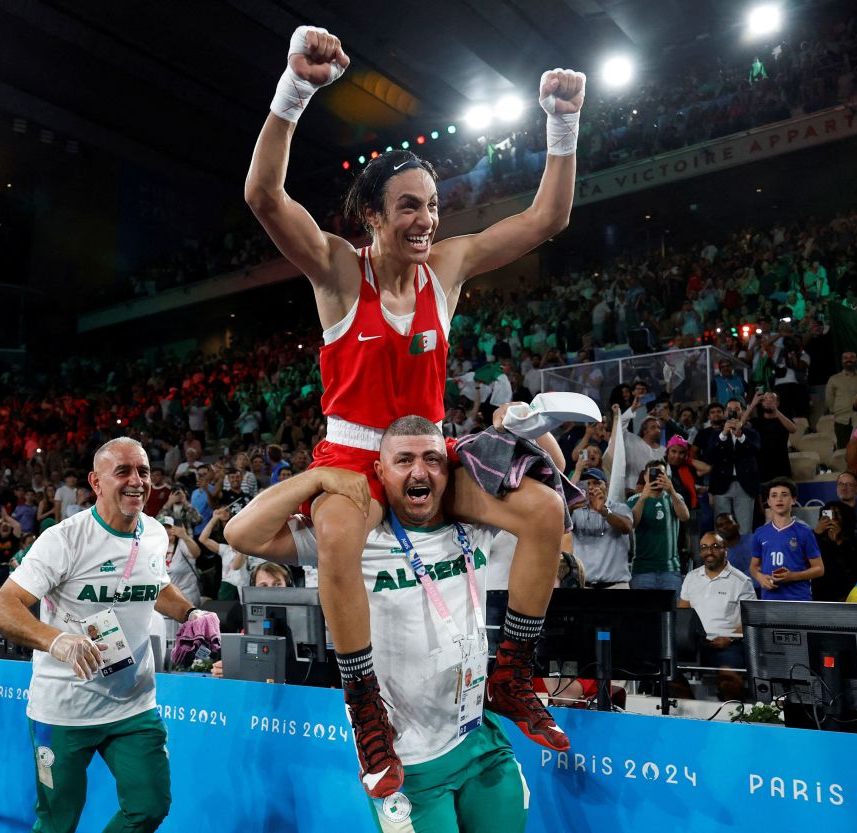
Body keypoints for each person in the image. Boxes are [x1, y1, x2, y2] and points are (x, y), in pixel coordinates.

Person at [244, 24, 581, 795]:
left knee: (541, 513)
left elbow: (546, 221)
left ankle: (512, 671)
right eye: (409, 207)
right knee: (334, 536)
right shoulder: (335, 267)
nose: (427, 220)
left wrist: (562, 124)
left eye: (432, 205)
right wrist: (295, 88)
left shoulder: (449, 266)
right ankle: (365, 706)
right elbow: (263, 196)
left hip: (430, 451)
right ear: (372, 214)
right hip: (354, 456)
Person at [226, 416, 541, 831]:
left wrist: (529, 422)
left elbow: (549, 495)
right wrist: (317, 477)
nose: (419, 471)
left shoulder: (473, 524)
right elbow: (242, 534)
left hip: (481, 738)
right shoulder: (355, 536)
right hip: (406, 761)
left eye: (432, 459)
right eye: (404, 459)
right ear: (378, 471)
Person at [0, 438, 220, 833]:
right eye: (123, 471)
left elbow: (156, 586)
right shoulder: (63, 539)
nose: (137, 481)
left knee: (149, 806)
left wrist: (191, 612)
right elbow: (1, 607)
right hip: (63, 709)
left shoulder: (156, 534)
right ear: (96, 481)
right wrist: (57, 640)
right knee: (58, 821)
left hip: (133, 704)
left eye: (143, 472)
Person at [679, 531, 756, 701]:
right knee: (668, 673)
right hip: (695, 644)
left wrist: (729, 638)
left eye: (715, 546)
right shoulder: (691, 578)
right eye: (704, 547)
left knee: (729, 681)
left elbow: (750, 620)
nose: (709, 552)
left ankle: (731, 720)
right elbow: (682, 613)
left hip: (728, 644)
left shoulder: (742, 582)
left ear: (725, 550)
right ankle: (691, 716)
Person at [750, 478, 824, 601]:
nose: (779, 499)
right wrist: (759, 577)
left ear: (793, 500)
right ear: (768, 501)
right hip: (769, 600)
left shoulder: (805, 532)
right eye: (774, 495)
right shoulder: (760, 533)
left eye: (784, 495)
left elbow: (819, 569)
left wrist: (793, 576)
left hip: (799, 599)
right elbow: (753, 566)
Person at [703, 399, 761, 535]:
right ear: (724, 413)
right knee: (721, 529)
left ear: (742, 412)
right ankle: (722, 556)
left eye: (737, 409)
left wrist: (740, 436)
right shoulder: (715, 434)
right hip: (721, 485)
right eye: (729, 409)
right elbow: (709, 457)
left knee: (745, 529)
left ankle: (744, 556)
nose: (733, 412)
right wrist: (723, 435)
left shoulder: (752, 433)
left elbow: (756, 452)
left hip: (745, 485)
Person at [627, 463, 688, 592]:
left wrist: (671, 491)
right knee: (643, 612)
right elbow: (631, 524)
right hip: (642, 570)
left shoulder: (675, 498)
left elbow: (685, 517)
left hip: (670, 570)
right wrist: (643, 497)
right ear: (645, 477)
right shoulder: (634, 500)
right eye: (653, 474)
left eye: (661, 474)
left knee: (671, 612)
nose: (657, 478)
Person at [570, 468, 634, 587]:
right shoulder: (575, 511)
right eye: (587, 483)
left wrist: (603, 511)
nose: (591, 487)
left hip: (616, 586)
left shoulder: (620, 508)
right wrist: (570, 506)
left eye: (596, 482)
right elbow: (557, 529)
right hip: (584, 586)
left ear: (607, 486)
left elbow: (627, 527)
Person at [811, 501, 857, 602]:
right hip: (821, 598)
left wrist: (836, 542)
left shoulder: (855, 543)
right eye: (830, 514)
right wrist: (816, 534)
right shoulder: (815, 540)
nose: (833, 518)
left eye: (838, 514)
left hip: (849, 597)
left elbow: (851, 571)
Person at [825, 351, 857, 448]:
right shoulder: (834, 379)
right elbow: (829, 398)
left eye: (852, 357)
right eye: (845, 358)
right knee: (843, 449)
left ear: (856, 360)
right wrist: (835, 412)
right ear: (841, 361)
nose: (849, 360)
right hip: (841, 419)